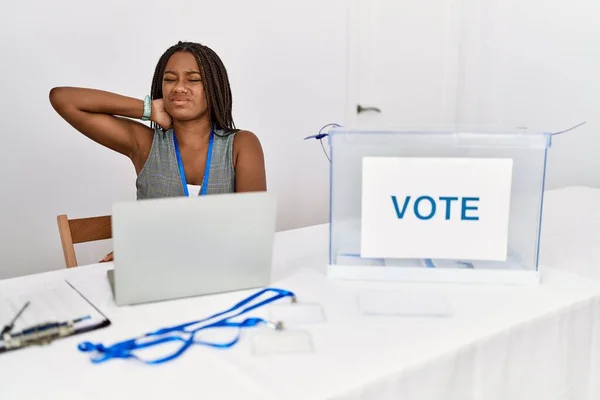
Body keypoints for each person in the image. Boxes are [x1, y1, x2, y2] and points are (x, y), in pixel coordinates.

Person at [50, 41, 267, 262]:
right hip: (154, 275)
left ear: (213, 88)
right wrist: (147, 109)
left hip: (224, 273)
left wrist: (147, 246)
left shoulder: (241, 145)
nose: (179, 88)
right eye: (170, 79)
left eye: (193, 79)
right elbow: (63, 99)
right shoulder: (145, 144)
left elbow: (252, 232)